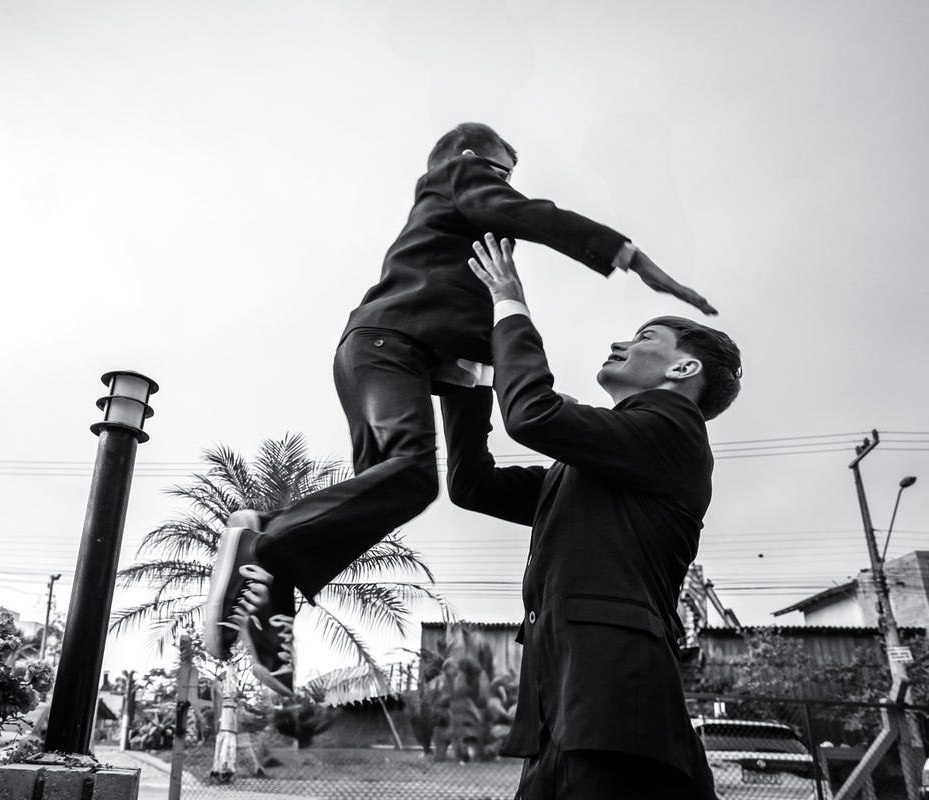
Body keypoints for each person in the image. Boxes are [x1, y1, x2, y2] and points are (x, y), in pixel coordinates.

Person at [204, 122, 718, 696]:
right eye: (502, 176)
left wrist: (533, 387)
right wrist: (626, 254)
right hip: (388, 344)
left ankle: (271, 584)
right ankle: (266, 542)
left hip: (424, 360)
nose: (504, 190)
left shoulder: (473, 318)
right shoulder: (457, 174)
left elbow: (472, 483)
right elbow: (531, 214)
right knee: (410, 475)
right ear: (471, 161)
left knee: (386, 493)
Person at [443, 233, 740, 799]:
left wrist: (509, 302)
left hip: (616, 712)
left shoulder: (673, 429)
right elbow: (472, 485)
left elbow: (533, 414)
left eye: (645, 336)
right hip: (561, 716)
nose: (620, 342)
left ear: (685, 367)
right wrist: (470, 376)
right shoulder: (595, 465)